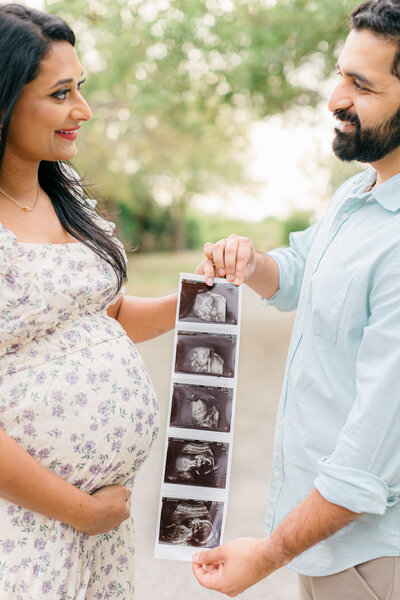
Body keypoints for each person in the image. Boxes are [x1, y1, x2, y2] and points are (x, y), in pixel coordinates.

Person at [192, 0, 400, 597]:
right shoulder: (360, 190)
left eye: (361, 85)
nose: (335, 98)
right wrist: (249, 263)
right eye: (340, 73)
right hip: (326, 546)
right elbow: (305, 269)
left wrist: (267, 555)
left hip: (371, 561)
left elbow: (365, 465)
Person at [0, 4, 177, 598]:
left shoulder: (61, 191)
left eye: (82, 88)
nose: (84, 110)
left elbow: (106, 318)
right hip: (27, 529)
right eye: (61, 93)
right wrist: (79, 509)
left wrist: (204, 294)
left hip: (96, 531)